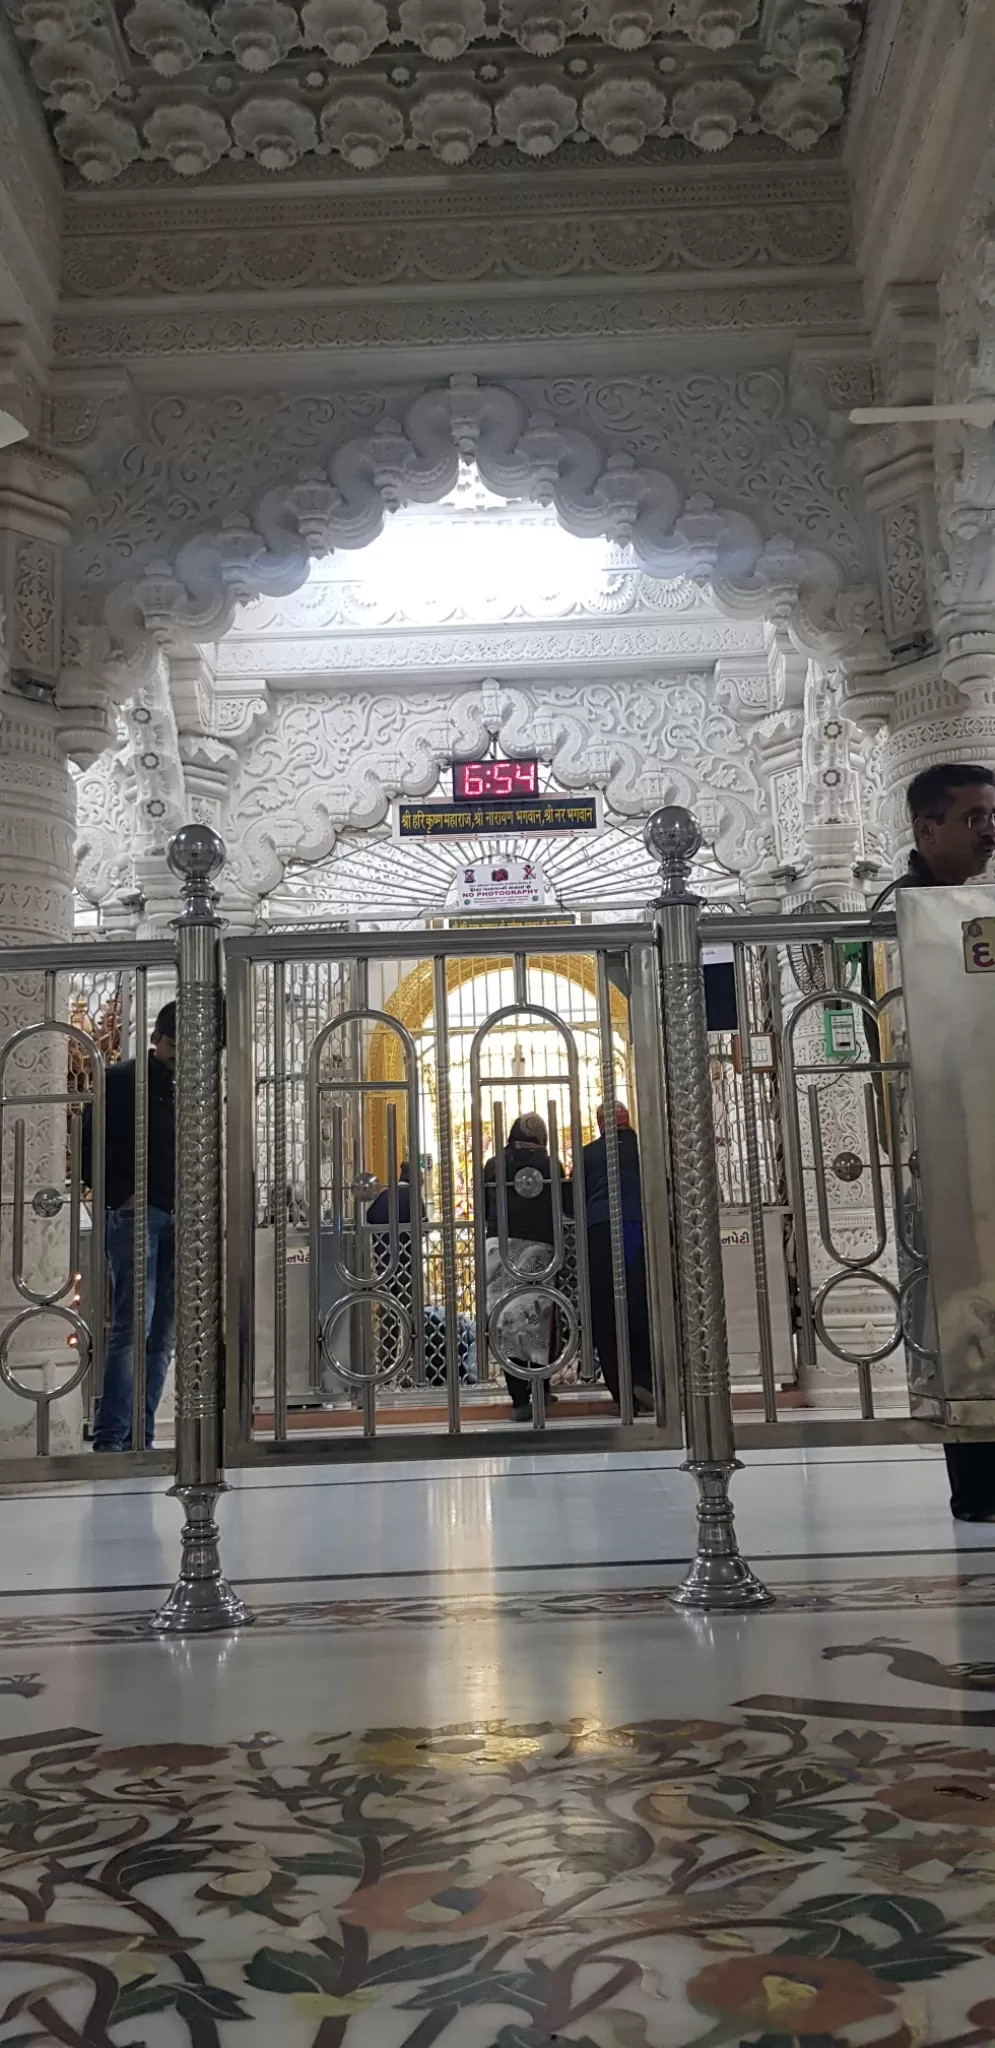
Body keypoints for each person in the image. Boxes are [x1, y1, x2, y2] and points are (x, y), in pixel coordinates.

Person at [895, 763, 995, 1520]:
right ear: (926, 831)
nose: (988, 828)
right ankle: (978, 1482)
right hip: (936, 1143)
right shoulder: (894, 919)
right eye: (971, 817)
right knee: (956, 1316)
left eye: (991, 814)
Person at [81, 1001, 176, 1451]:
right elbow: (88, 1147)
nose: (181, 1056)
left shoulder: (196, 1087)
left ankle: (141, 1435)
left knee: (162, 1335)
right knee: (132, 1328)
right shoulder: (121, 1082)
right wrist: (123, 1195)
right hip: (137, 1215)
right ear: (158, 1039)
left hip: (185, 1220)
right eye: (175, 1045)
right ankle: (110, 1438)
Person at [573, 1104, 654, 1414]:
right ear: (628, 1121)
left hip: (600, 1230)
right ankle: (645, 1380)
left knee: (607, 1309)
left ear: (600, 1125)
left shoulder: (588, 1154)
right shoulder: (644, 1147)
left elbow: (573, 1201)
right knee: (641, 1303)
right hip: (638, 1227)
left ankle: (621, 1391)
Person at [483, 1112, 562, 1421]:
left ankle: (518, 1399)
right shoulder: (550, 1164)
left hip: (499, 1246)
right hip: (538, 1247)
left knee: (505, 1323)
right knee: (538, 1320)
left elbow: (483, 1202)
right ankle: (541, 1390)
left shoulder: (494, 1164)